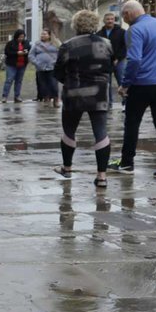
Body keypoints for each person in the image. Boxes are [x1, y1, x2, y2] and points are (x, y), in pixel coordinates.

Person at [108, 0, 156, 181]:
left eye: (123, 16)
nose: (124, 20)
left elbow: (134, 60)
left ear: (128, 14)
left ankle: (127, 163)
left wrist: (125, 84)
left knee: (132, 123)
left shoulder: (135, 30)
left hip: (142, 84)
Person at [52, 10, 115, 188]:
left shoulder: (68, 45)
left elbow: (58, 71)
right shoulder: (107, 43)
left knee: (69, 131)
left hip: (74, 93)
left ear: (75, 25)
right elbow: (109, 67)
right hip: (99, 94)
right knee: (101, 132)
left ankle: (67, 167)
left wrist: (70, 81)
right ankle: (101, 176)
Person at [98, 13, 128, 104]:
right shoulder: (99, 34)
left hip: (120, 61)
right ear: (104, 21)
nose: (110, 21)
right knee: (106, 83)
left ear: (114, 20)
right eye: (108, 19)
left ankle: (126, 103)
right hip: (105, 62)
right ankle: (108, 103)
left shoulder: (122, 32)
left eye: (112, 19)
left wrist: (118, 58)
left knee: (122, 81)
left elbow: (125, 47)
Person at [28, 29, 60, 107]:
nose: (42, 35)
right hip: (40, 68)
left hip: (52, 67)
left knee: (53, 85)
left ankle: (56, 99)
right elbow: (30, 55)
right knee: (43, 85)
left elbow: (61, 54)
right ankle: (46, 99)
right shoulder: (37, 45)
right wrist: (36, 63)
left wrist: (56, 62)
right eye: (42, 34)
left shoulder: (55, 44)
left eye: (45, 34)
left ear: (49, 35)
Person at [1, 29, 29, 102]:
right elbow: (7, 52)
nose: (21, 38)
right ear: (16, 36)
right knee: (9, 80)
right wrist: (17, 53)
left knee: (19, 81)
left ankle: (17, 96)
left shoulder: (26, 43)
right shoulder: (10, 43)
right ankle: (5, 96)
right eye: (20, 37)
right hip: (12, 64)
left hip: (22, 64)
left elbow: (29, 50)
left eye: (22, 37)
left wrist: (26, 51)